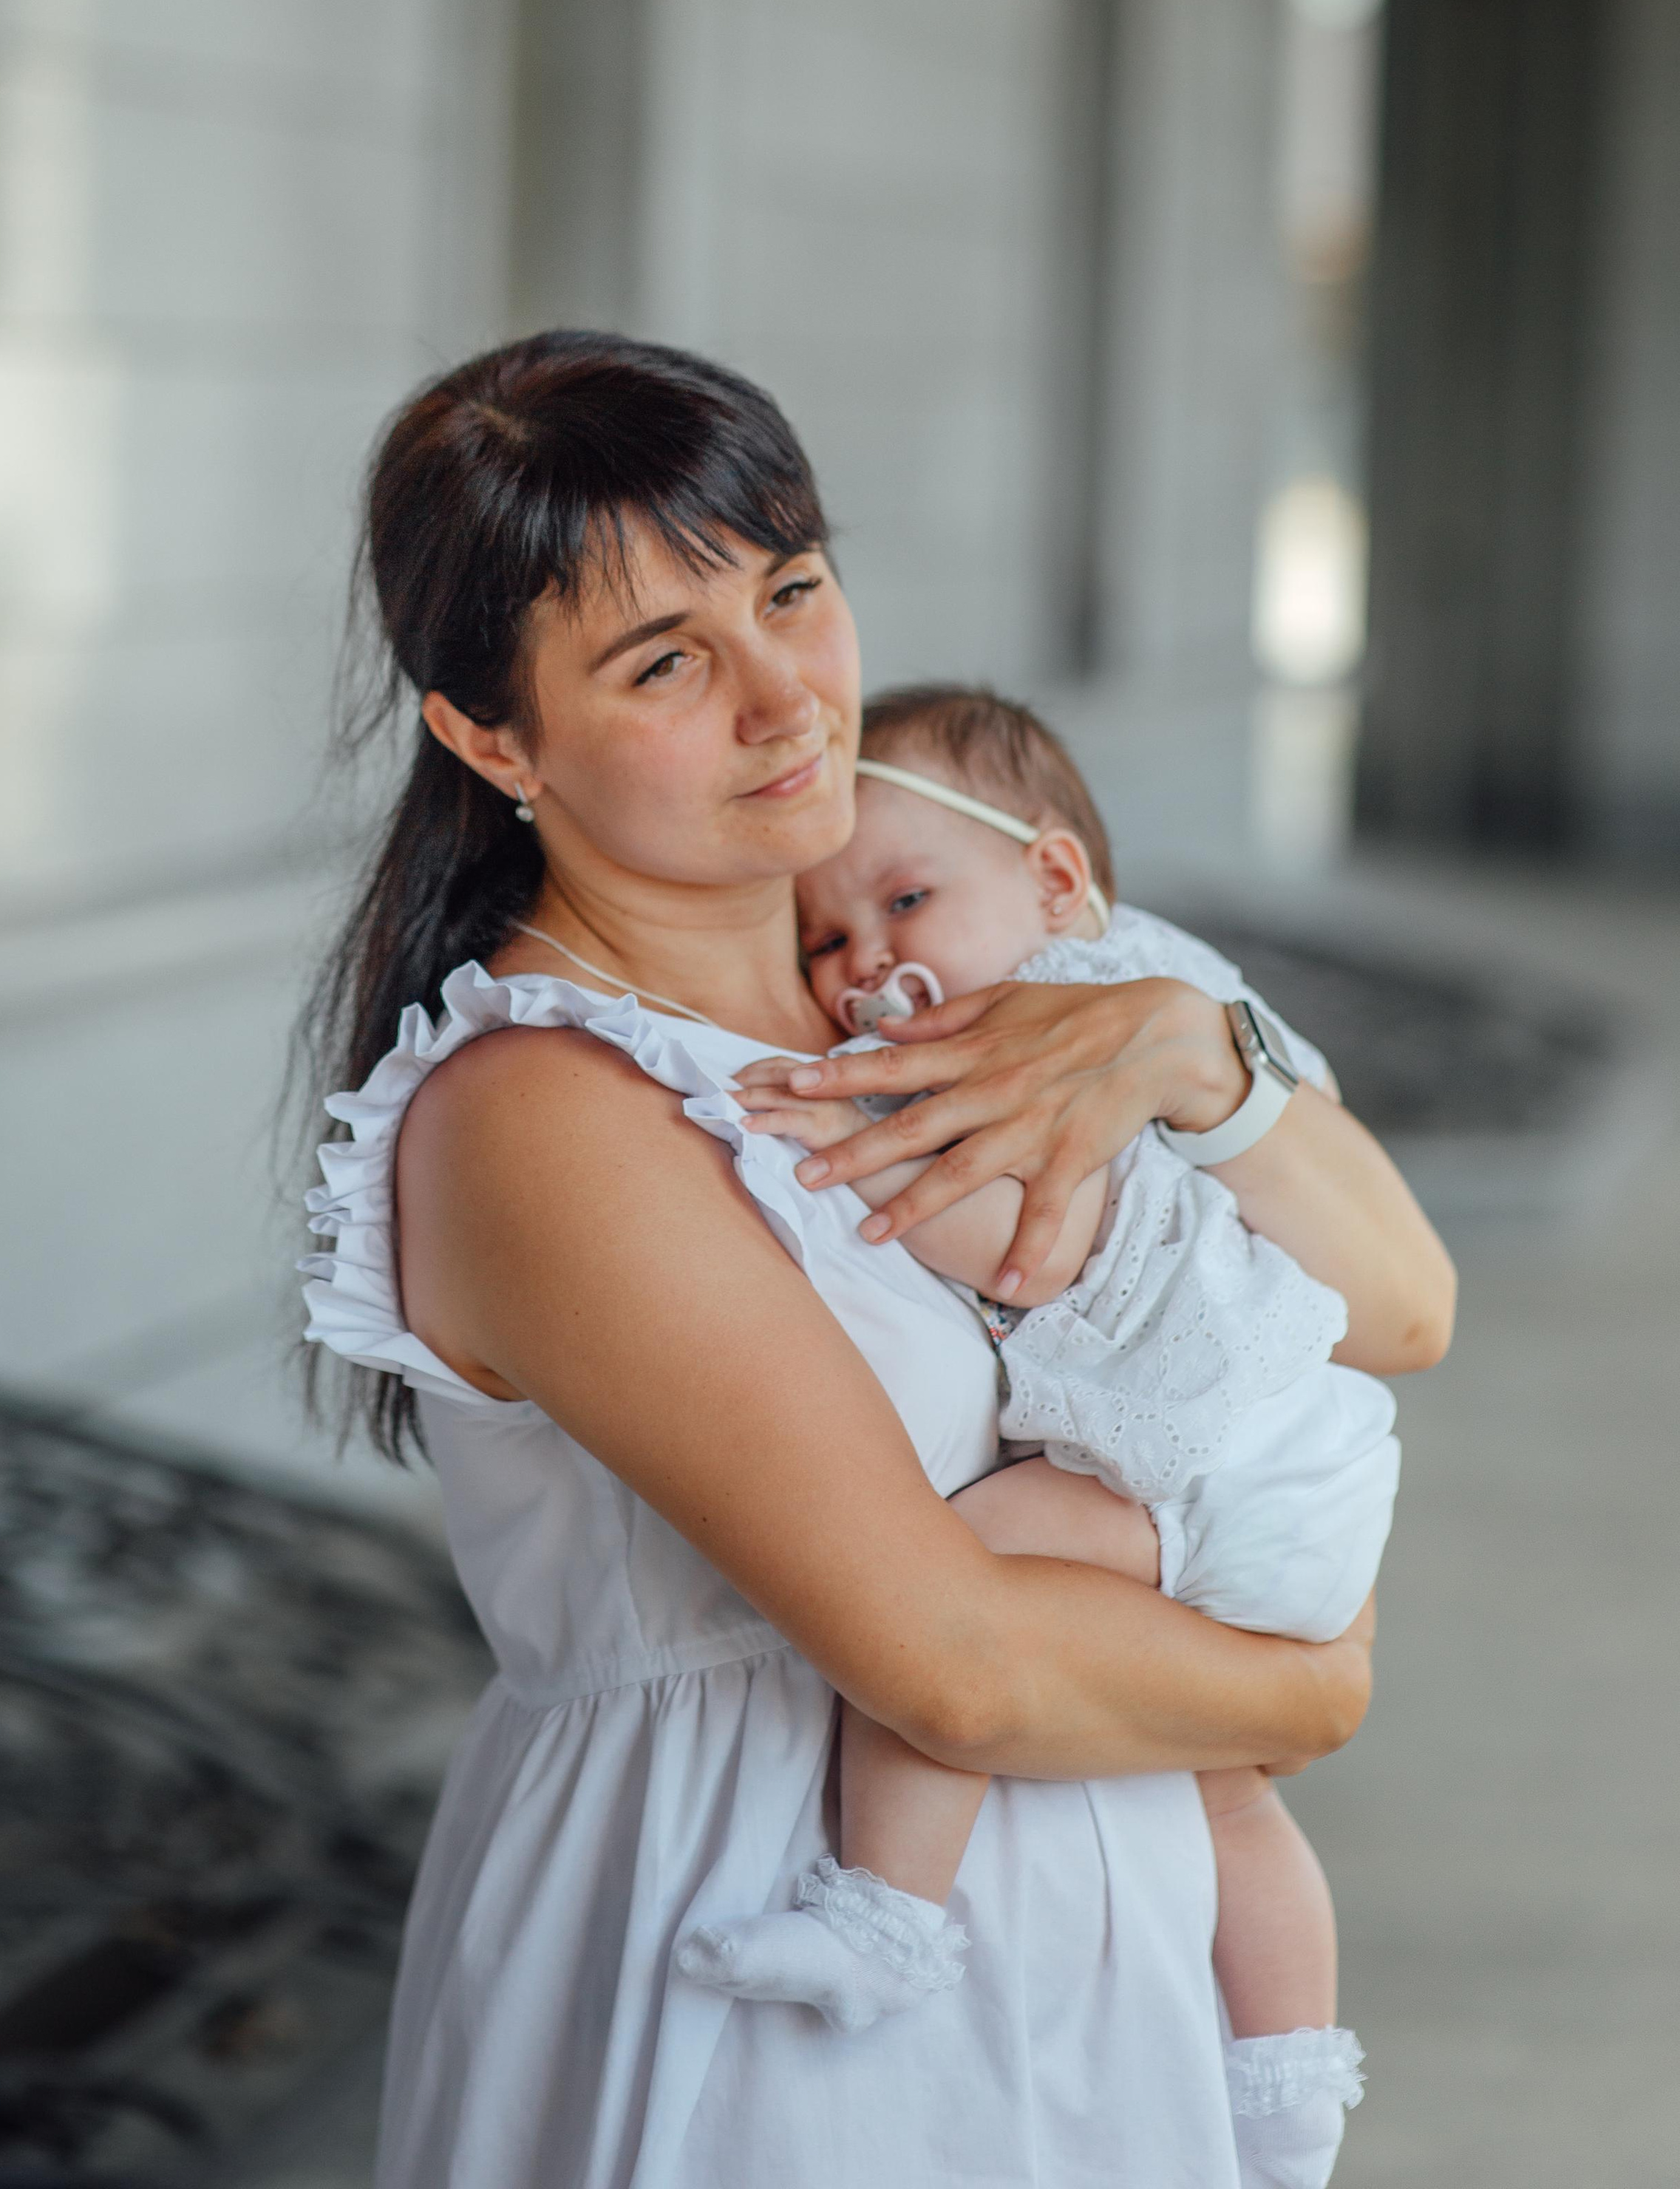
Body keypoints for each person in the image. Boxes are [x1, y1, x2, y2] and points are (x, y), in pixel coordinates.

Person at [299, 331, 1454, 2189]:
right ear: (490, 735)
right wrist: (1310, 1680)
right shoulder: (546, 1109)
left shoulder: (952, 988)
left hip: (1090, 1944)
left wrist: (1180, 1050)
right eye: (667, 660)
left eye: (794, 591)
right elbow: (956, 1669)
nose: (788, 701)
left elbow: (1399, 1306)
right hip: (751, 1963)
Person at [686, 685, 1412, 2187]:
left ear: (1057, 883)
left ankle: (884, 1912)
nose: (867, 959)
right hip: (1292, 1474)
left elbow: (1022, 1242)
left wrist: (831, 1125)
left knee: (947, 1576)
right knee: (1225, 1796)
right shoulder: (1156, 1002)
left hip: (1223, 1467)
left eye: (903, 899)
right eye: (824, 942)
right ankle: (1285, 2090)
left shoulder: (1062, 1041)